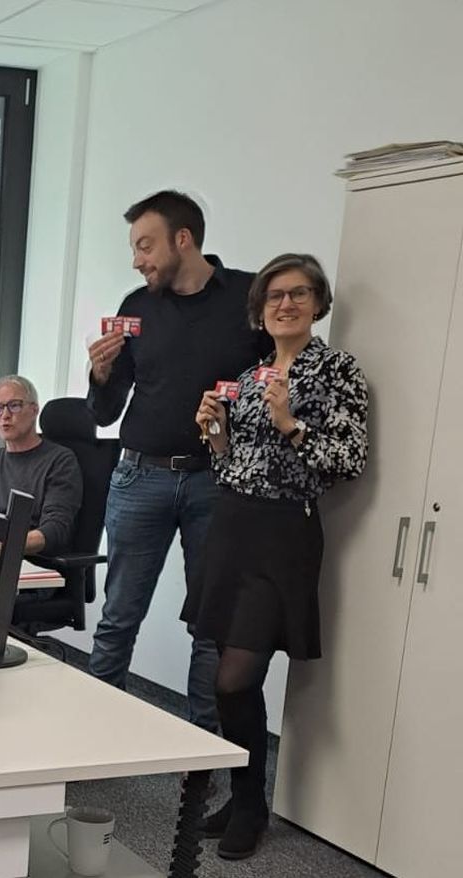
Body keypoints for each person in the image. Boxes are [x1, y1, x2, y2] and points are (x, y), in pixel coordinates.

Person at [187, 253, 368, 859]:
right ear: (260, 309)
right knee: (226, 674)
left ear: (318, 304)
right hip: (232, 528)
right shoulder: (249, 374)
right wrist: (216, 432)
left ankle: (251, 806)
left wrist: (289, 422)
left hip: (284, 533)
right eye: (274, 296)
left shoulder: (337, 371)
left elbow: (348, 460)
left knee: (235, 677)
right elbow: (230, 465)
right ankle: (245, 799)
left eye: (298, 294)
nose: (285, 304)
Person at [85, 191, 272, 732]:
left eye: (145, 246)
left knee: (210, 628)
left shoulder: (249, 298)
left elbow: (276, 379)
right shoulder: (136, 307)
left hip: (216, 481)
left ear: (182, 239)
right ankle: (94, 737)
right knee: (118, 618)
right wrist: (99, 374)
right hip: (139, 475)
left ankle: (201, 752)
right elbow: (104, 412)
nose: (137, 260)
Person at [0, 375, 82, 558]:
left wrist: (8, 546)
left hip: (27, 561)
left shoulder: (60, 461)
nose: (5, 415)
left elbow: (56, 529)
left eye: (14, 405)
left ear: (34, 410)